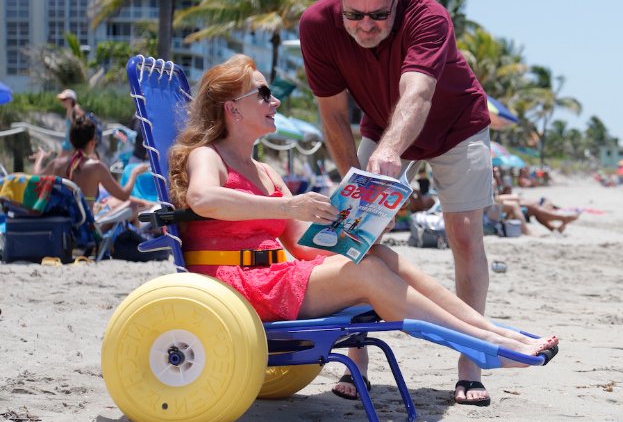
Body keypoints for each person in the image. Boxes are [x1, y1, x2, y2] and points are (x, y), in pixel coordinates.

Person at [166, 55, 557, 386]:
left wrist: (353, 227)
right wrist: (289, 208)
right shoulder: (208, 155)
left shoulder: (265, 171)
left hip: (272, 279)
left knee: (379, 255)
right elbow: (202, 198)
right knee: (366, 274)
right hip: (235, 288)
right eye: (264, 94)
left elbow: (303, 245)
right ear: (233, 107)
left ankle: (495, 333)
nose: (276, 102)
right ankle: (482, 346)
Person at [299, 0, 497, 406]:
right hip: (381, 123)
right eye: (354, 15)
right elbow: (332, 114)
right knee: (356, 233)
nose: (366, 25)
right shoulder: (316, 25)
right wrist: (355, 179)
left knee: (466, 237)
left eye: (378, 15)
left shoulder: (428, 16)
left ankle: (469, 363)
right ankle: (356, 358)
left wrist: (389, 152)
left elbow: (417, 95)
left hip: (457, 125)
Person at [35, 115, 152, 223]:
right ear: (92, 143)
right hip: (85, 228)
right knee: (131, 206)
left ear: (71, 140)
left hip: (63, 224)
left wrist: (40, 158)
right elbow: (124, 195)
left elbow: (36, 176)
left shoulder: (57, 164)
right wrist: (134, 173)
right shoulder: (96, 167)